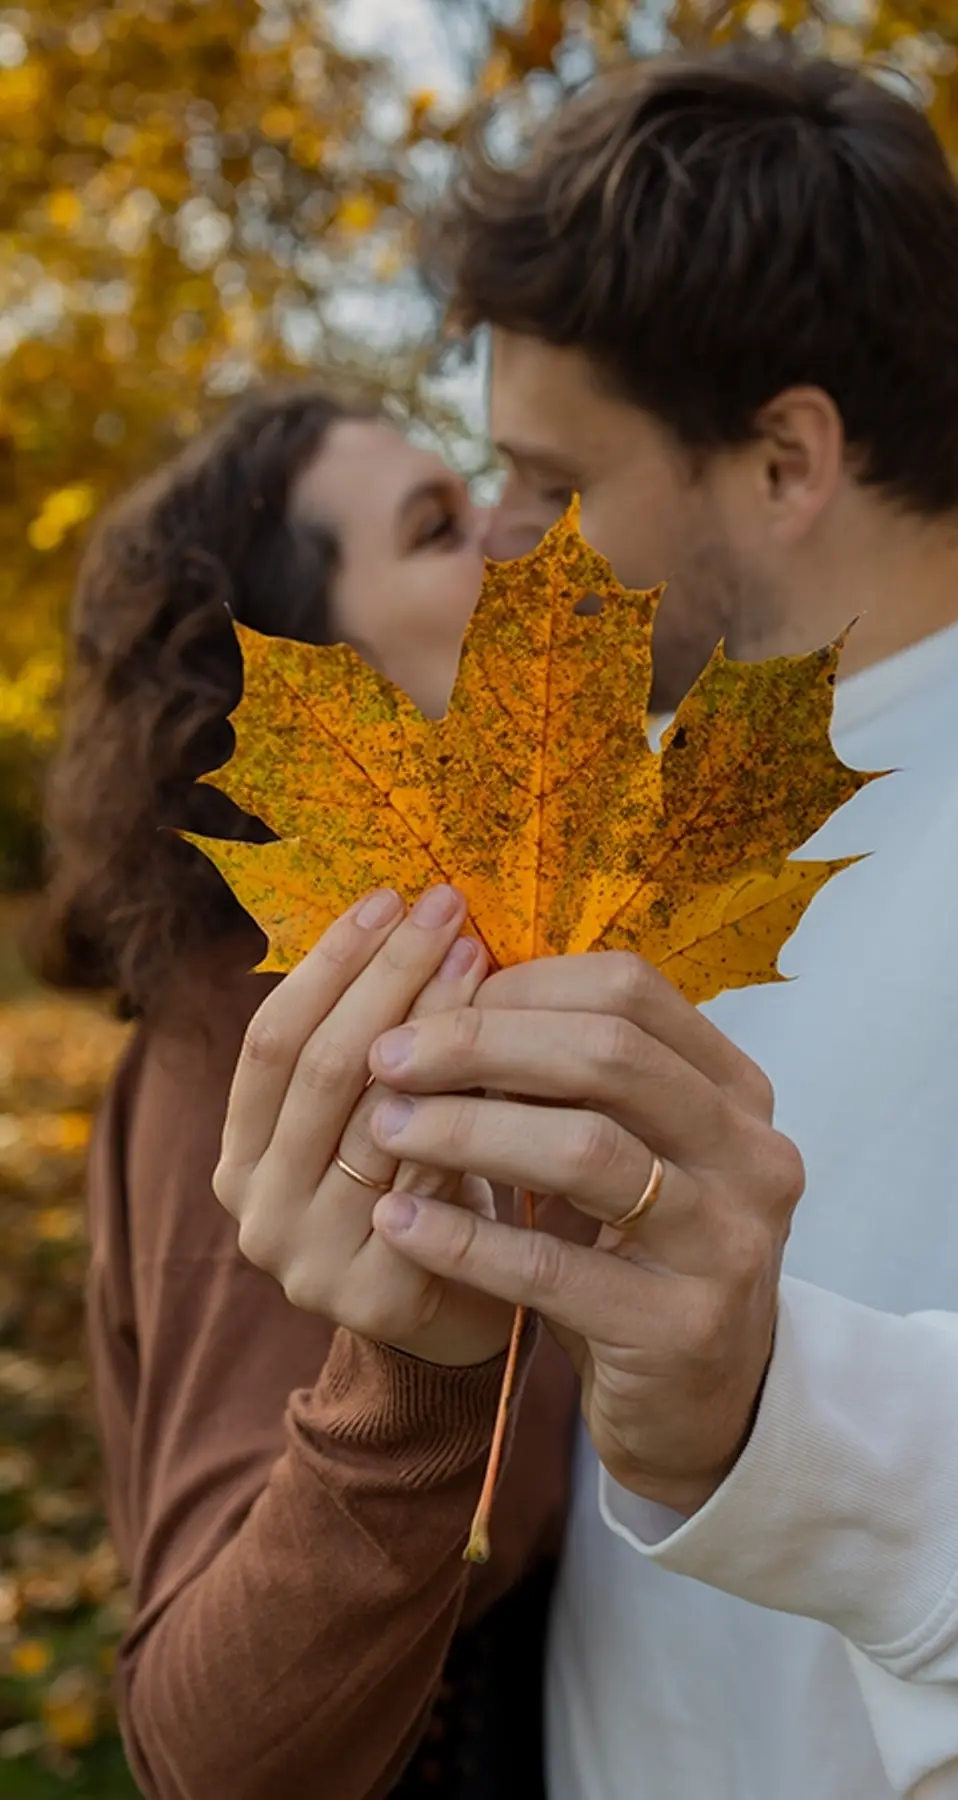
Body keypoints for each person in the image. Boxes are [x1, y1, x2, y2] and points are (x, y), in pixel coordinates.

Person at [217, 44, 958, 1800]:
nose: (509, 545)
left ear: (786, 459)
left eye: (552, 480)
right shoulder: (614, 786)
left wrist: (773, 1411)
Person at [37, 386, 578, 1800]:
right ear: (301, 685)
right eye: (437, 529)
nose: (515, 544)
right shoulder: (274, 1045)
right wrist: (419, 1390)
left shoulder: (443, 972)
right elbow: (205, 1753)